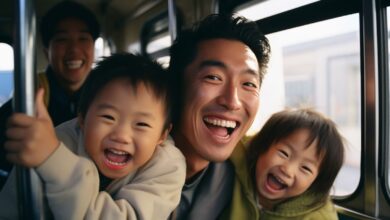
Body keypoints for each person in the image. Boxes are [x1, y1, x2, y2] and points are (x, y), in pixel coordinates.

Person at [0, 53, 186, 219]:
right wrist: (50, 155)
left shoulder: (168, 167)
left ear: (163, 134)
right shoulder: (53, 143)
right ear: (82, 118)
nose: (121, 135)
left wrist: (55, 162)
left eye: (142, 124)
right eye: (108, 117)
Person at [168, 14, 271, 219]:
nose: (232, 101)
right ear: (176, 86)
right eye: (213, 77)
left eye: (248, 84)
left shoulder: (252, 174)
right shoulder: (121, 160)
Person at [0, 0, 100, 179]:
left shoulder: (108, 96)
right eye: (62, 39)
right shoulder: (27, 100)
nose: (74, 49)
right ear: (47, 51)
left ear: (93, 47)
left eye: (83, 38)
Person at [222, 108, 345, 219]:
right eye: (284, 153)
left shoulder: (319, 217)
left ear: (316, 182)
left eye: (306, 168)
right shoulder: (232, 164)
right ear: (262, 146)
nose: (287, 170)